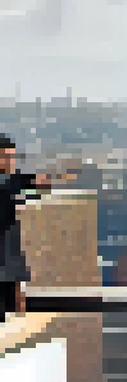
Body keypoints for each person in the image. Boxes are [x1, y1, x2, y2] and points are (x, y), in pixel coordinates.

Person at [1, 134, 66, 322]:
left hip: (9, 257)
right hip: (6, 257)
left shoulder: (12, 181)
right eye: (5, 157)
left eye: (12, 157)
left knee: (14, 308)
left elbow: (31, 181)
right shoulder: (9, 183)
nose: (10, 161)